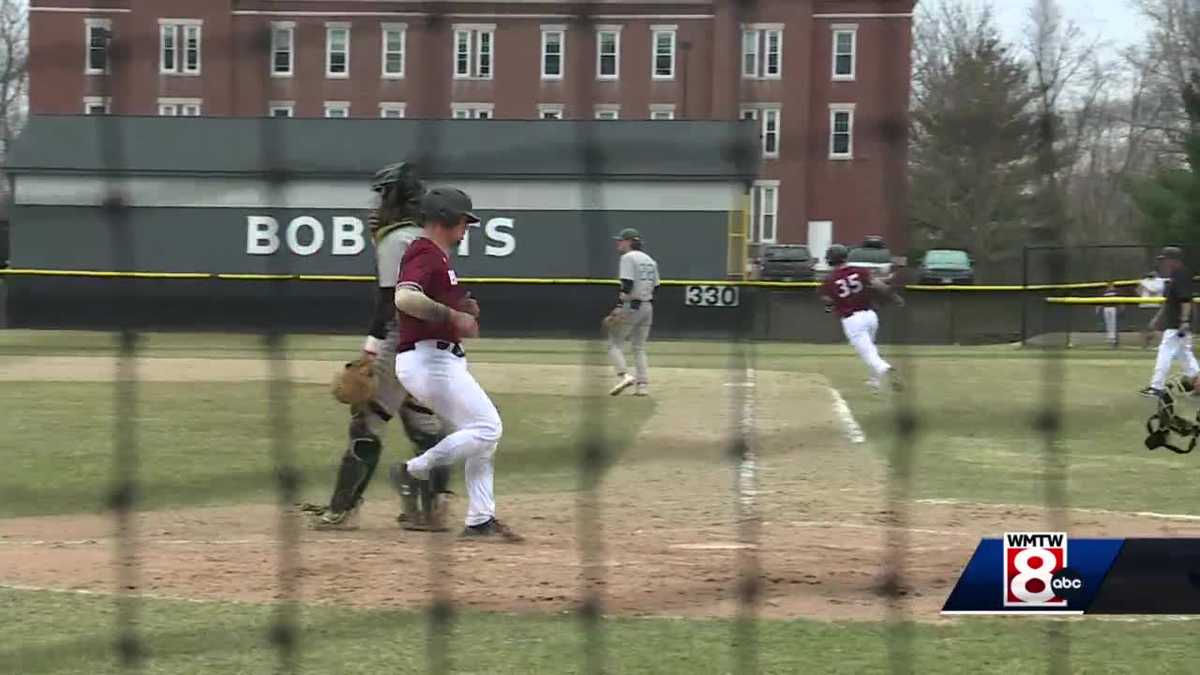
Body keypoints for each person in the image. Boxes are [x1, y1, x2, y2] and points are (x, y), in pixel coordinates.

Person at [300, 162, 454, 531]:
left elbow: (391, 301)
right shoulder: (425, 236)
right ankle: (432, 508)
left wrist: (370, 347)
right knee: (424, 423)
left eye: (383, 194)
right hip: (432, 342)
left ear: (396, 197)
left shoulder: (395, 239)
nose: (377, 202)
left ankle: (342, 510)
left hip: (399, 342)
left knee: (366, 422)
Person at [392, 187, 522, 541]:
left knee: (483, 438)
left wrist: (461, 311)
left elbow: (431, 305)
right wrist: (452, 315)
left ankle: (481, 520)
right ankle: (412, 470)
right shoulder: (424, 251)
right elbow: (404, 298)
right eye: (463, 220)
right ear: (445, 218)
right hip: (428, 360)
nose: (466, 228)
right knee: (489, 428)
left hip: (438, 358)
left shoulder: (438, 256)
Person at [819, 244, 904, 392]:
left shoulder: (829, 279)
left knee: (869, 354)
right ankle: (874, 382)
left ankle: (887, 370)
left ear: (830, 260)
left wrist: (830, 305)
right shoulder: (860, 271)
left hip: (852, 320)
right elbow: (878, 285)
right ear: (846, 256)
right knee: (872, 349)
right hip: (870, 316)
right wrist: (894, 297)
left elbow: (828, 300)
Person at [607, 227, 660, 397]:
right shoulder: (650, 260)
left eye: (621, 240)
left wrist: (620, 306)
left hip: (632, 304)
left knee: (614, 343)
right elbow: (657, 286)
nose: (618, 243)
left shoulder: (628, 258)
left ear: (629, 242)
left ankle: (624, 375)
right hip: (647, 306)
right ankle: (642, 385)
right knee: (639, 347)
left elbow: (627, 285)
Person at [1140, 246, 1198, 398]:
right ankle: (1198, 383)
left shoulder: (1181, 275)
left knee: (1165, 351)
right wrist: (1156, 319)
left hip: (1177, 324)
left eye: (1165, 259)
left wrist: (1184, 321)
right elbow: (1168, 302)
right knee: (1185, 355)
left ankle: (1156, 386)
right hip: (1176, 323)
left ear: (1173, 260)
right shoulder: (1174, 276)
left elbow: (1185, 300)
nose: (1163, 263)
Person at [1138, 271, 1165, 349]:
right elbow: (1138, 291)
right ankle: (1145, 345)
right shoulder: (1144, 281)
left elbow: (1153, 291)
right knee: (1144, 327)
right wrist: (1141, 287)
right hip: (1143, 306)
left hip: (1154, 306)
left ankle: (1159, 344)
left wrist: (1145, 286)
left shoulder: (1159, 281)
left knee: (1154, 326)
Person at [1097, 283, 1119, 348]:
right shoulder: (1105, 292)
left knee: (1113, 324)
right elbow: (1101, 301)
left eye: (1112, 286)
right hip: (1106, 308)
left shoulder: (1115, 292)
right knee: (1108, 324)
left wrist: (1121, 307)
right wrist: (1098, 307)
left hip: (1113, 308)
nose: (1111, 287)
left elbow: (1119, 300)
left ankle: (1114, 339)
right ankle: (1110, 338)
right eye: (1110, 286)